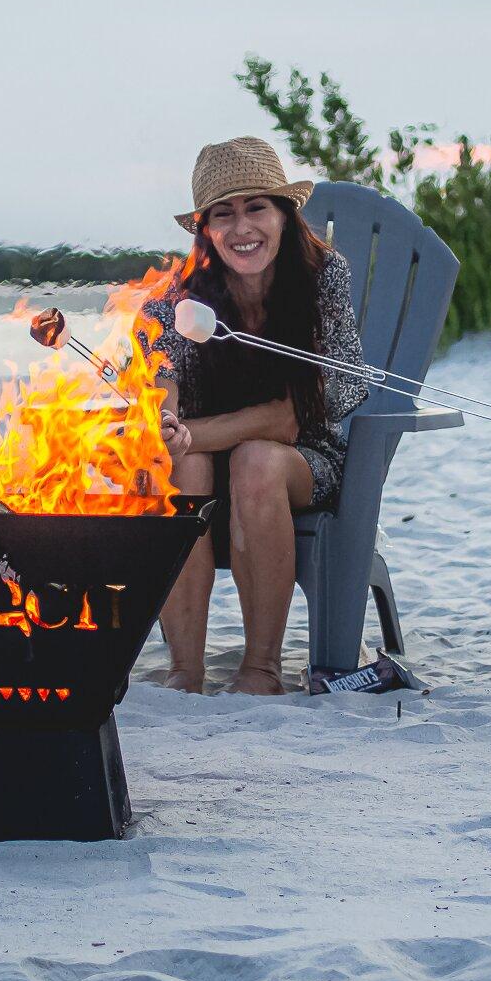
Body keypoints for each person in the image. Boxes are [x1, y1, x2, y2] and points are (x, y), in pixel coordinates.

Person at [145, 137, 368, 695]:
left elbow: (294, 417)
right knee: (184, 468)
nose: (242, 228)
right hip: (207, 457)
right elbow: (161, 374)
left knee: (257, 461)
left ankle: (261, 668)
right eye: (224, 214)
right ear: (206, 231)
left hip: (302, 458)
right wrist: (169, 424)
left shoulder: (322, 278)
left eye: (256, 207)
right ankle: (185, 670)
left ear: (284, 215)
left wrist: (194, 434)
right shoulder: (178, 295)